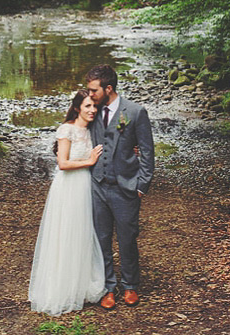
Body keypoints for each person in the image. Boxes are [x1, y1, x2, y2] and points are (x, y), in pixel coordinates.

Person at [28, 90, 106, 316]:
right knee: (66, 231)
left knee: (82, 231)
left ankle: (80, 283)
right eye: (88, 106)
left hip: (86, 186)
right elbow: (62, 163)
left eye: (94, 107)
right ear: (77, 108)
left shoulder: (92, 129)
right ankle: (61, 287)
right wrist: (89, 160)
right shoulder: (67, 129)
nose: (92, 110)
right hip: (69, 186)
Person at [85, 64, 155, 310]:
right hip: (97, 186)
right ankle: (107, 287)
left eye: (93, 90)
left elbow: (147, 151)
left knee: (127, 239)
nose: (89, 94)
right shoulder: (89, 110)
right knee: (101, 239)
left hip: (126, 187)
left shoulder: (135, 112)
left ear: (109, 88)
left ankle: (130, 286)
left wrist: (141, 185)